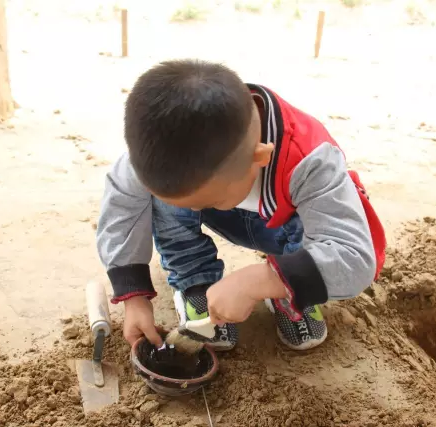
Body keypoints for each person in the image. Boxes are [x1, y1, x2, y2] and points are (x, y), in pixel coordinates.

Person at [96, 59, 386, 352]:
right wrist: (134, 298)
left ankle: (290, 287)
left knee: (304, 233)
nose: (193, 213)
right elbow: (122, 207)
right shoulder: (160, 154)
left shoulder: (311, 160)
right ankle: (197, 284)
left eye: (206, 200)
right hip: (232, 210)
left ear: (258, 158)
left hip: (282, 227)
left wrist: (264, 279)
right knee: (168, 202)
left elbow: (355, 258)